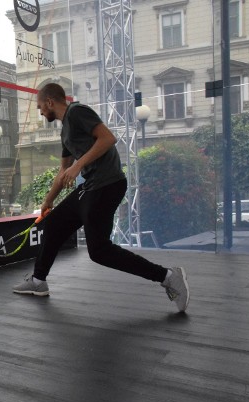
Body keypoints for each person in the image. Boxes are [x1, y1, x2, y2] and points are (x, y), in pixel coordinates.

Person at [13, 83, 190, 312]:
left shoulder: (77, 112)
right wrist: (48, 200)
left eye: (40, 107)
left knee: (99, 252)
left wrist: (78, 167)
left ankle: (168, 277)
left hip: (108, 184)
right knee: (55, 222)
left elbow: (107, 138)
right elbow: (62, 172)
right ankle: (38, 281)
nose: (40, 112)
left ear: (50, 102)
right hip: (92, 186)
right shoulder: (66, 129)